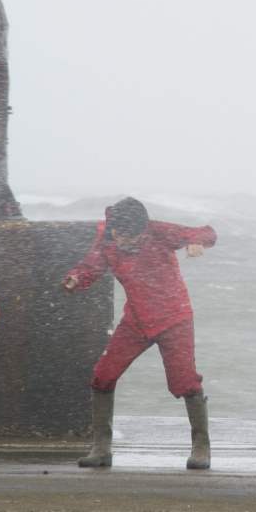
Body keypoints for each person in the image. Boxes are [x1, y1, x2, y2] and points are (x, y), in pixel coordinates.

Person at [62, 197, 217, 469]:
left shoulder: (159, 232)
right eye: (120, 237)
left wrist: (196, 242)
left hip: (174, 318)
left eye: (132, 239)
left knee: (184, 382)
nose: (125, 243)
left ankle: (201, 447)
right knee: (103, 375)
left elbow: (205, 232)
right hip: (136, 321)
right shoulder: (108, 238)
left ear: (143, 230)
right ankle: (101, 448)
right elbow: (93, 265)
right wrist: (77, 278)